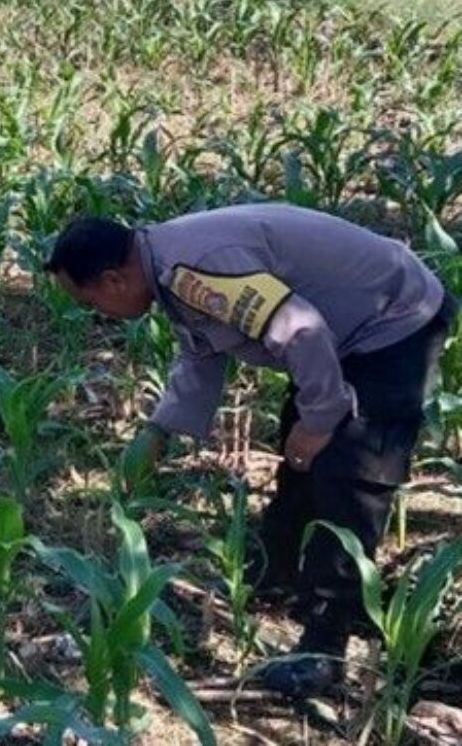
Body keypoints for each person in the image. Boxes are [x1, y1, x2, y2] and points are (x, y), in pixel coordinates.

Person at [44, 203, 456, 697]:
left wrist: (322, 418)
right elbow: (201, 355)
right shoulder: (167, 267)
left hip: (393, 322)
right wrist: (158, 431)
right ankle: (279, 577)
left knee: (350, 475)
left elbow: (302, 330)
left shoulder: (197, 270)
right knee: (302, 460)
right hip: (347, 333)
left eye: (91, 303)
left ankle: (325, 648)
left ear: (113, 280)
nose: (97, 315)